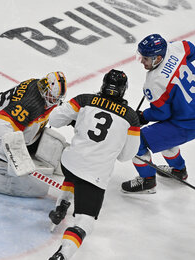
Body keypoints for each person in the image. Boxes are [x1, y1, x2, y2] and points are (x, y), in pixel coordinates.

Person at [47, 69, 140, 260]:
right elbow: (125, 156)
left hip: (69, 163)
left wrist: (76, 121)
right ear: (122, 90)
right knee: (85, 222)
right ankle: (62, 254)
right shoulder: (131, 118)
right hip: (94, 176)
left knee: (75, 170)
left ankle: (62, 205)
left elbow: (54, 120)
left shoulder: (84, 100)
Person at [121, 34, 195, 193]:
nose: (142, 62)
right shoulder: (175, 48)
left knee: (136, 140)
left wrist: (142, 116)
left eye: (145, 59)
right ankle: (179, 171)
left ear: (158, 58)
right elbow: (192, 51)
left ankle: (147, 182)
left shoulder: (154, 82)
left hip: (189, 122)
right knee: (164, 135)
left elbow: (161, 114)